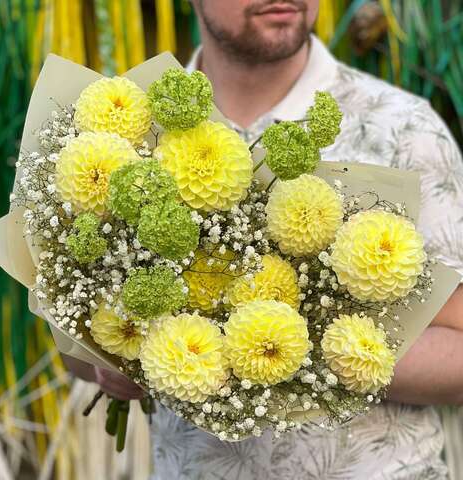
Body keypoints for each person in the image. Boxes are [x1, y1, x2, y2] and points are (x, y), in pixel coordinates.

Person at [66, 1, 463, 478]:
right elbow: (71, 324)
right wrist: (110, 358)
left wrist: (292, 348)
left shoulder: (401, 127)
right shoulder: (126, 126)